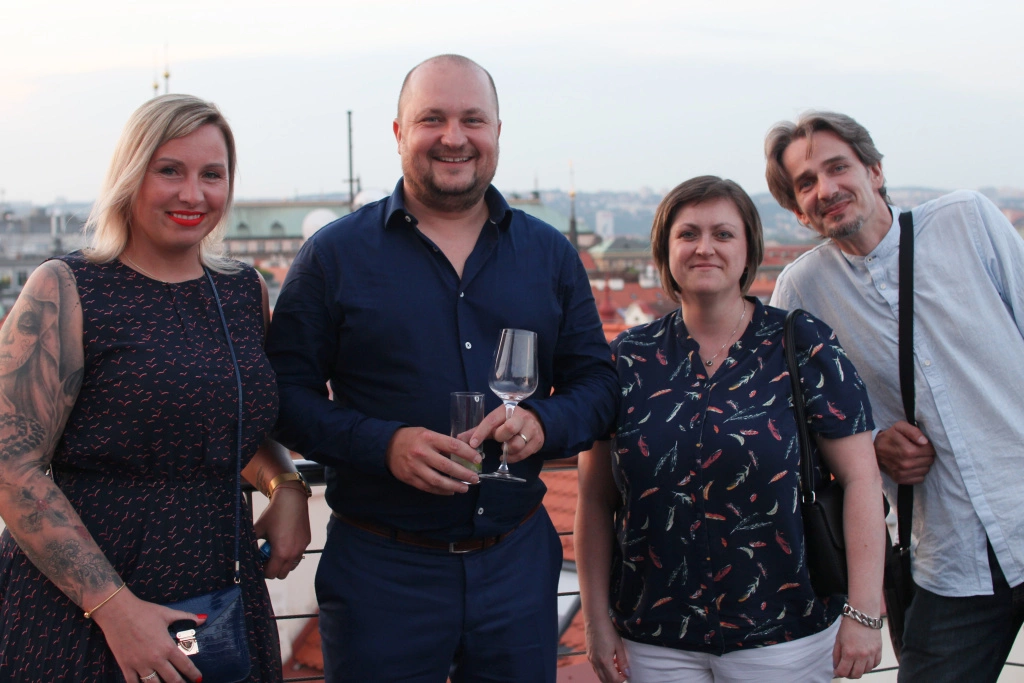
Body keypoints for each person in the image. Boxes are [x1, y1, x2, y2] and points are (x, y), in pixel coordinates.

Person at [266, 54, 618, 682]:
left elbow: (598, 385)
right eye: (432, 119)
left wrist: (544, 423)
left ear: (497, 132)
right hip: (382, 573)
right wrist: (383, 445)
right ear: (399, 132)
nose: (454, 137)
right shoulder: (333, 255)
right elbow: (284, 395)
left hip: (515, 564)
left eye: (472, 120)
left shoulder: (550, 255)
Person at [0, 94, 312, 683]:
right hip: (87, 601)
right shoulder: (66, 287)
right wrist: (115, 610)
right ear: (130, 175)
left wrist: (287, 485)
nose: (193, 194)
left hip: (218, 586)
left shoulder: (242, 291)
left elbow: (228, 422)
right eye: (170, 170)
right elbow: (10, 465)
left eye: (212, 175)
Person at [575, 175, 886, 683]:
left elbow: (862, 479)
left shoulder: (802, 344)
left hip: (784, 634)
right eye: (688, 234)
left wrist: (865, 612)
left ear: (748, 251)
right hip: (654, 638)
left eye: (723, 234)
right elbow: (594, 500)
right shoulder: (627, 358)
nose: (705, 248)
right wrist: (594, 621)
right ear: (666, 250)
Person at [766, 111, 1024, 682]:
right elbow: (787, 428)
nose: (826, 188)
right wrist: (872, 447)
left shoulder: (966, 220)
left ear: (875, 171)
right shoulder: (801, 291)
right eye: (806, 183)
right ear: (798, 210)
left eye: (838, 167)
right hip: (948, 558)